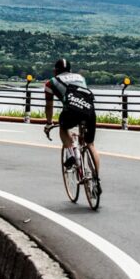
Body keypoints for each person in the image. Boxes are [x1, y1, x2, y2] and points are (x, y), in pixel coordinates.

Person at [44, 58, 100, 190]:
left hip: (71, 111)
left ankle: (70, 154)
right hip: (89, 110)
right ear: (70, 70)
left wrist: (49, 123)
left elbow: (49, 105)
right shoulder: (80, 77)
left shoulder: (50, 83)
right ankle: (96, 181)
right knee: (90, 144)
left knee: (63, 128)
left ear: (55, 71)